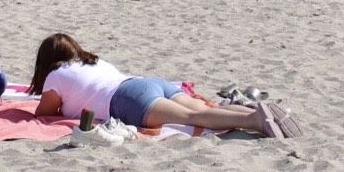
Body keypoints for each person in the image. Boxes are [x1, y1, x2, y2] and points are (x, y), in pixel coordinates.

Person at [30, 32, 298, 137]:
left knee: (195, 116)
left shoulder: (56, 73)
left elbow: (44, 113)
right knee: (204, 108)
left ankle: (255, 122)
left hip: (126, 99)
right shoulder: (93, 62)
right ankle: (263, 112)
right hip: (146, 82)